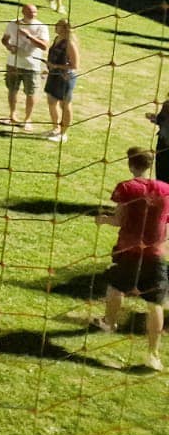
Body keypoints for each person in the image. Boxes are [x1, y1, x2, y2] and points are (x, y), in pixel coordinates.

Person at [93, 147, 167, 371]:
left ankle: (109, 322)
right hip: (156, 254)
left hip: (129, 251)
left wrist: (102, 219)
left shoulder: (126, 187)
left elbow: (119, 220)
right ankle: (153, 355)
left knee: (116, 287)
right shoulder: (166, 189)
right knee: (155, 303)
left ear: (130, 164)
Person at [0, 3, 49, 130]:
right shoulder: (13, 23)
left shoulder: (41, 27)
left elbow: (44, 46)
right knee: (12, 89)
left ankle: (28, 119)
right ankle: (12, 115)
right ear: (23, 12)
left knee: (31, 92)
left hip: (31, 65)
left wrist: (28, 36)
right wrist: (9, 46)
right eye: (30, 12)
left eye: (35, 12)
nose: (33, 14)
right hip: (13, 63)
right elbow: (4, 39)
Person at [44, 18, 80, 143]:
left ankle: (63, 134)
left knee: (64, 105)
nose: (55, 26)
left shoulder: (70, 44)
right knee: (51, 101)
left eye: (58, 25)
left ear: (65, 28)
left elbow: (75, 66)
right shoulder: (57, 39)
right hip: (54, 75)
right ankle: (55, 128)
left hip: (65, 77)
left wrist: (56, 66)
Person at [148, 99, 169, 186]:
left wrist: (155, 119)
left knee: (163, 180)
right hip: (163, 145)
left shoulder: (167, 105)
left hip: (164, 146)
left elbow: (162, 121)